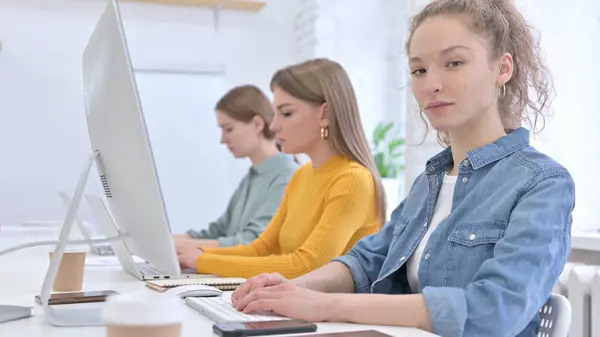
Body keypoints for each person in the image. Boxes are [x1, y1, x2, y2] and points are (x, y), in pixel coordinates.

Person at [229, 1, 575, 336]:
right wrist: (286, 289)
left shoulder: (542, 183)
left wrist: (323, 305)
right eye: (419, 70)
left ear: (503, 68)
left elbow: (491, 311)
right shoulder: (431, 181)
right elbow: (367, 260)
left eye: (454, 63)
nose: (431, 84)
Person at [176, 58, 386, 279]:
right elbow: (262, 249)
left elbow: (308, 265)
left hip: (331, 312)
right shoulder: (302, 175)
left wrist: (203, 260)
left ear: (324, 114)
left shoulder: (353, 179)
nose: (274, 125)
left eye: (286, 113)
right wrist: (193, 253)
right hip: (293, 305)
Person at [175, 85, 299, 249]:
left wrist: (178, 246)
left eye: (228, 129)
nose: (223, 139)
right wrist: (168, 241)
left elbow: (253, 242)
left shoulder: (286, 176)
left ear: (257, 124)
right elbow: (219, 231)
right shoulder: (253, 176)